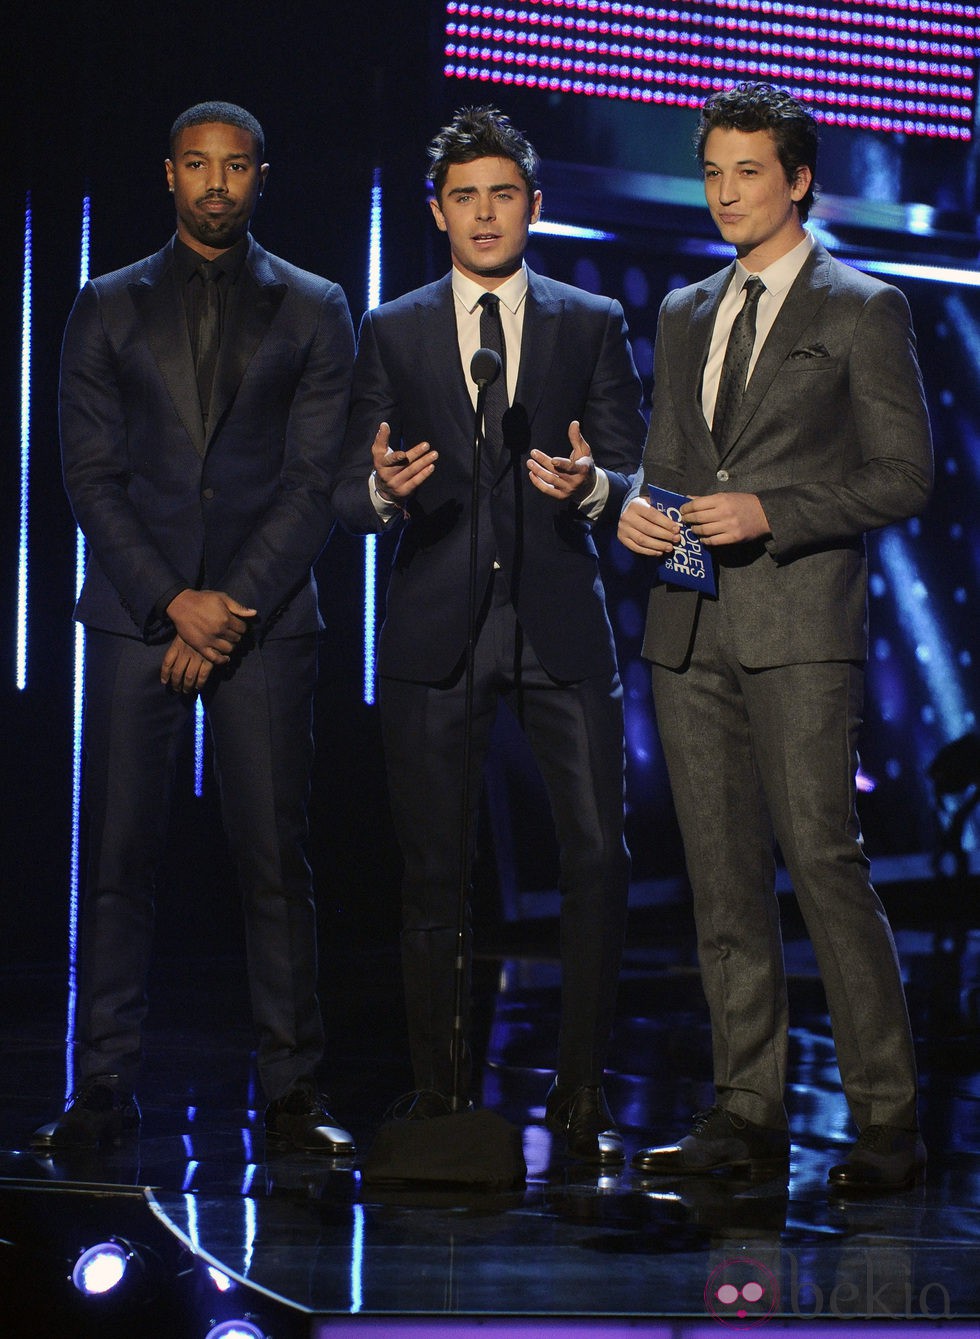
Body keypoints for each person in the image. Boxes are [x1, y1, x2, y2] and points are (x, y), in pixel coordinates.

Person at [618, 82, 933, 1192]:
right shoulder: (682, 309)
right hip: (687, 624)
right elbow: (666, 463)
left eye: (745, 171)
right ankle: (745, 1111)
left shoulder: (862, 308)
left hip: (800, 625)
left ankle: (886, 1119)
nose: (722, 193)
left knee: (822, 863)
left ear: (796, 178)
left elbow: (904, 474)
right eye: (709, 172)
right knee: (718, 880)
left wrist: (773, 512)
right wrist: (632, 507)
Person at [32, 101, 356, 1155]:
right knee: (118, 856)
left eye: (235, 168)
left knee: (275, 862)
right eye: (196, 166)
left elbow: (313, 483)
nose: (216, 184)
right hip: (138, 619)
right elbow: (90, 475)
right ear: (168, 174)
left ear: (262, 175)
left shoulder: (315, 306)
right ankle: (100, 1089)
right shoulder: (102, 302)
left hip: (264, 620)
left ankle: (295, 1098)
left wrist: (224, 610)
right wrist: (172, 600)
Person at [330, 105, 646, 1163]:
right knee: (432, 871)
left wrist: (593, 485)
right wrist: (380, 493)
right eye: (463, 195)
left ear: (534, 206)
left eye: (501, 193)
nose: (482, 212)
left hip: (560, 620)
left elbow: (633, 470)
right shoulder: (393, 327)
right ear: (435, 211)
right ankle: (436, 1090)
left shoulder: (589, 319)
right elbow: (344, 486)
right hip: (436, 627)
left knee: (597, 857)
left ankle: (581, 1092)